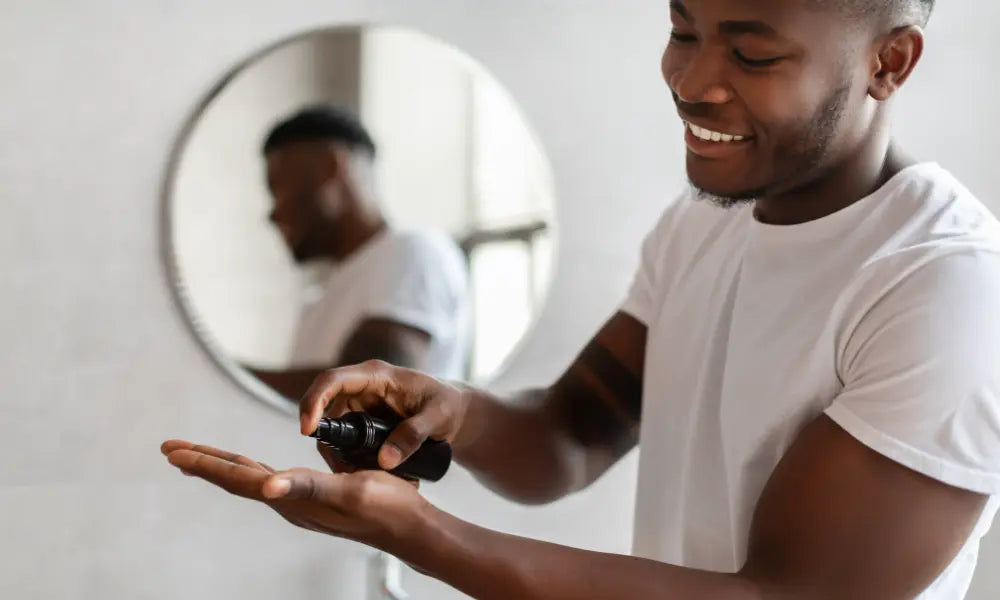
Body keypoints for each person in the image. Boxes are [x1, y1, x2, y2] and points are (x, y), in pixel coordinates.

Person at [163, 1, 1000, 598]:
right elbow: (566, 437)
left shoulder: (945, 285)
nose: (691, 80)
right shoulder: (704, 223)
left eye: (751, 56)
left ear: (887, 63)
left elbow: (783, 597)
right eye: (681, 29)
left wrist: (420, 537)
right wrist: (453, 411)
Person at [243, 106, 471, 399]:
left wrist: (213, 372)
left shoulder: (412, 251)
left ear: (331, 166)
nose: (272, 213)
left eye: (277, 188)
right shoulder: (320, 298)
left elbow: (371, 393)